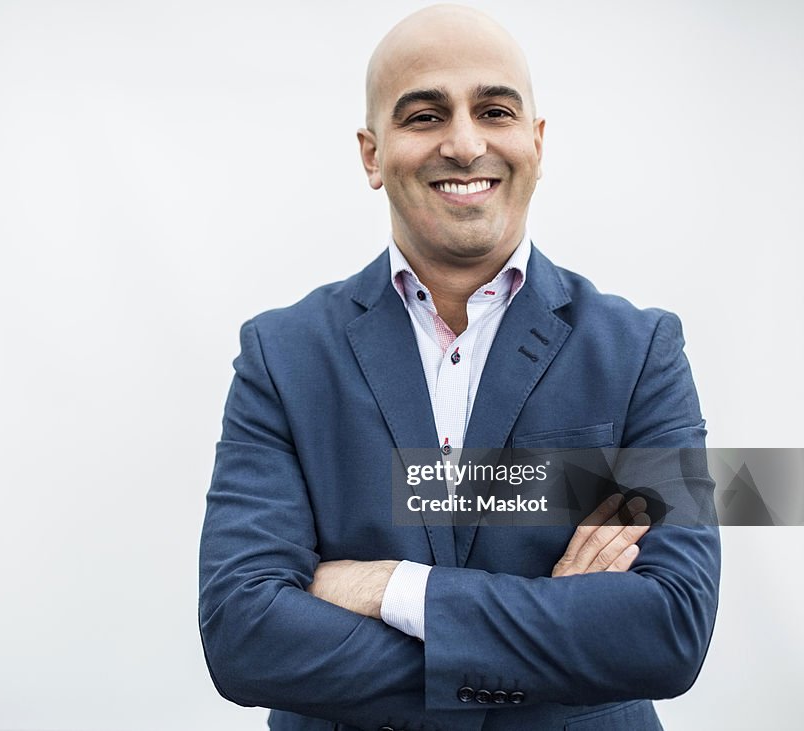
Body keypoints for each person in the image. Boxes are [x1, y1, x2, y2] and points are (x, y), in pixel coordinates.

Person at [198, 5, 720, 730]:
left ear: (536, 142)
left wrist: (393, 588)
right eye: (424, 115)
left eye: (495, 110)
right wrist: (549, 646)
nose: (466, 143)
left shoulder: (641, 353)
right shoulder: (282, 358)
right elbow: (243, 635)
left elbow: (670, 627)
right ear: (371, 154)